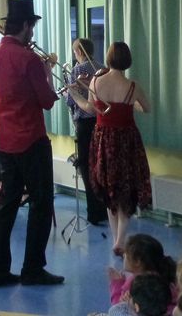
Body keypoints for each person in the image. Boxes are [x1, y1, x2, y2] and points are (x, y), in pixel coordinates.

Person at [0, 0, 62, 288]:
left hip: (4, 141)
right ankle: (32, 269)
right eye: (32, 27)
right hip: (31, 140)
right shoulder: (29, 60)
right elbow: (47, 101)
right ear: (27, 25)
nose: (33, 33)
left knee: (7, 206)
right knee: (41, 204)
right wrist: (46, 72)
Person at [88, 41, 152, 254]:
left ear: (109, 58)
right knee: (126, 189)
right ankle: (120, 240)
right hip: (126, 141)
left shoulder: (95, 81)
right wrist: (131, 104)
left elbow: (89, 108)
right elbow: (147, 108)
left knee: (109, 188)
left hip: (103, 139)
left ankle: (116, 238)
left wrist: (74, 94)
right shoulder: (133, 86)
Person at [65, 37, 107, 225]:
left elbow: (71, 100)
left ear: (80, 52)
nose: (75, 55)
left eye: (75, 52)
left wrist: (68, 91)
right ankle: (104, 209)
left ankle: (94, 212)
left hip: (84, 122)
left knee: (86, 166)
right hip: (100, 121)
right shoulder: (102, 68)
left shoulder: (77, 70)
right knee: (99, 165)